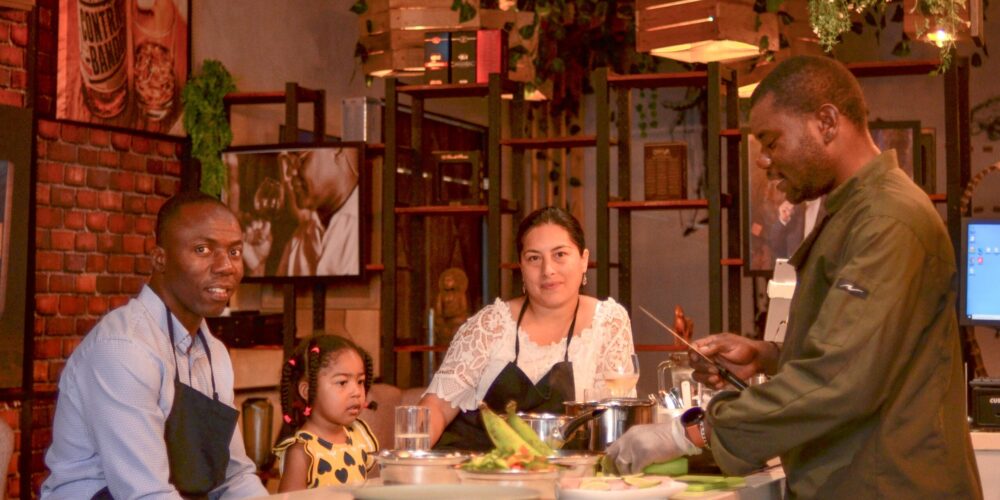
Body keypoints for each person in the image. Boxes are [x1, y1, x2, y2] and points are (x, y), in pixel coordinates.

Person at [607, 55, 983, 498]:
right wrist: (767, 356)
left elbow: (839, 380)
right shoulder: (853, 209)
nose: (764, 160)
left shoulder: (887, 219)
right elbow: (865, 348)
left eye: (771, 140)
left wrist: (691, 434)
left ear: (825, 121)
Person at [41, 192, 267, 499]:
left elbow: (235, 477)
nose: (226, 266)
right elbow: (145, 495)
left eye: (235, 252)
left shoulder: (213, 352)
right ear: (159, 258)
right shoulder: (124, 349)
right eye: (202, 249)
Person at [419, 206, 636, 450]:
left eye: (560, 255)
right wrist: (406, 460)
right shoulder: (490, 324)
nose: (548, 270)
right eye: (534, 258)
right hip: (478, 472)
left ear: (584, 260)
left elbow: (617, 418)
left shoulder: (608, 322)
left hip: (571, 476)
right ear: (521, 266)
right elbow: (436, 407)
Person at [273, 335, 378, 491]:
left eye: (360, 381)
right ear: (308, 391)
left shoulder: (359, 436)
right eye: (342, 382)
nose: (356, 392)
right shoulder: (302, 450)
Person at [243, 147, 360, 277]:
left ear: (337, 150)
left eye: (299, 159)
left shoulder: (374, 229)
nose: (287, 175)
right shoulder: (298, 241)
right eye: (286, 163)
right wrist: (257, 267)